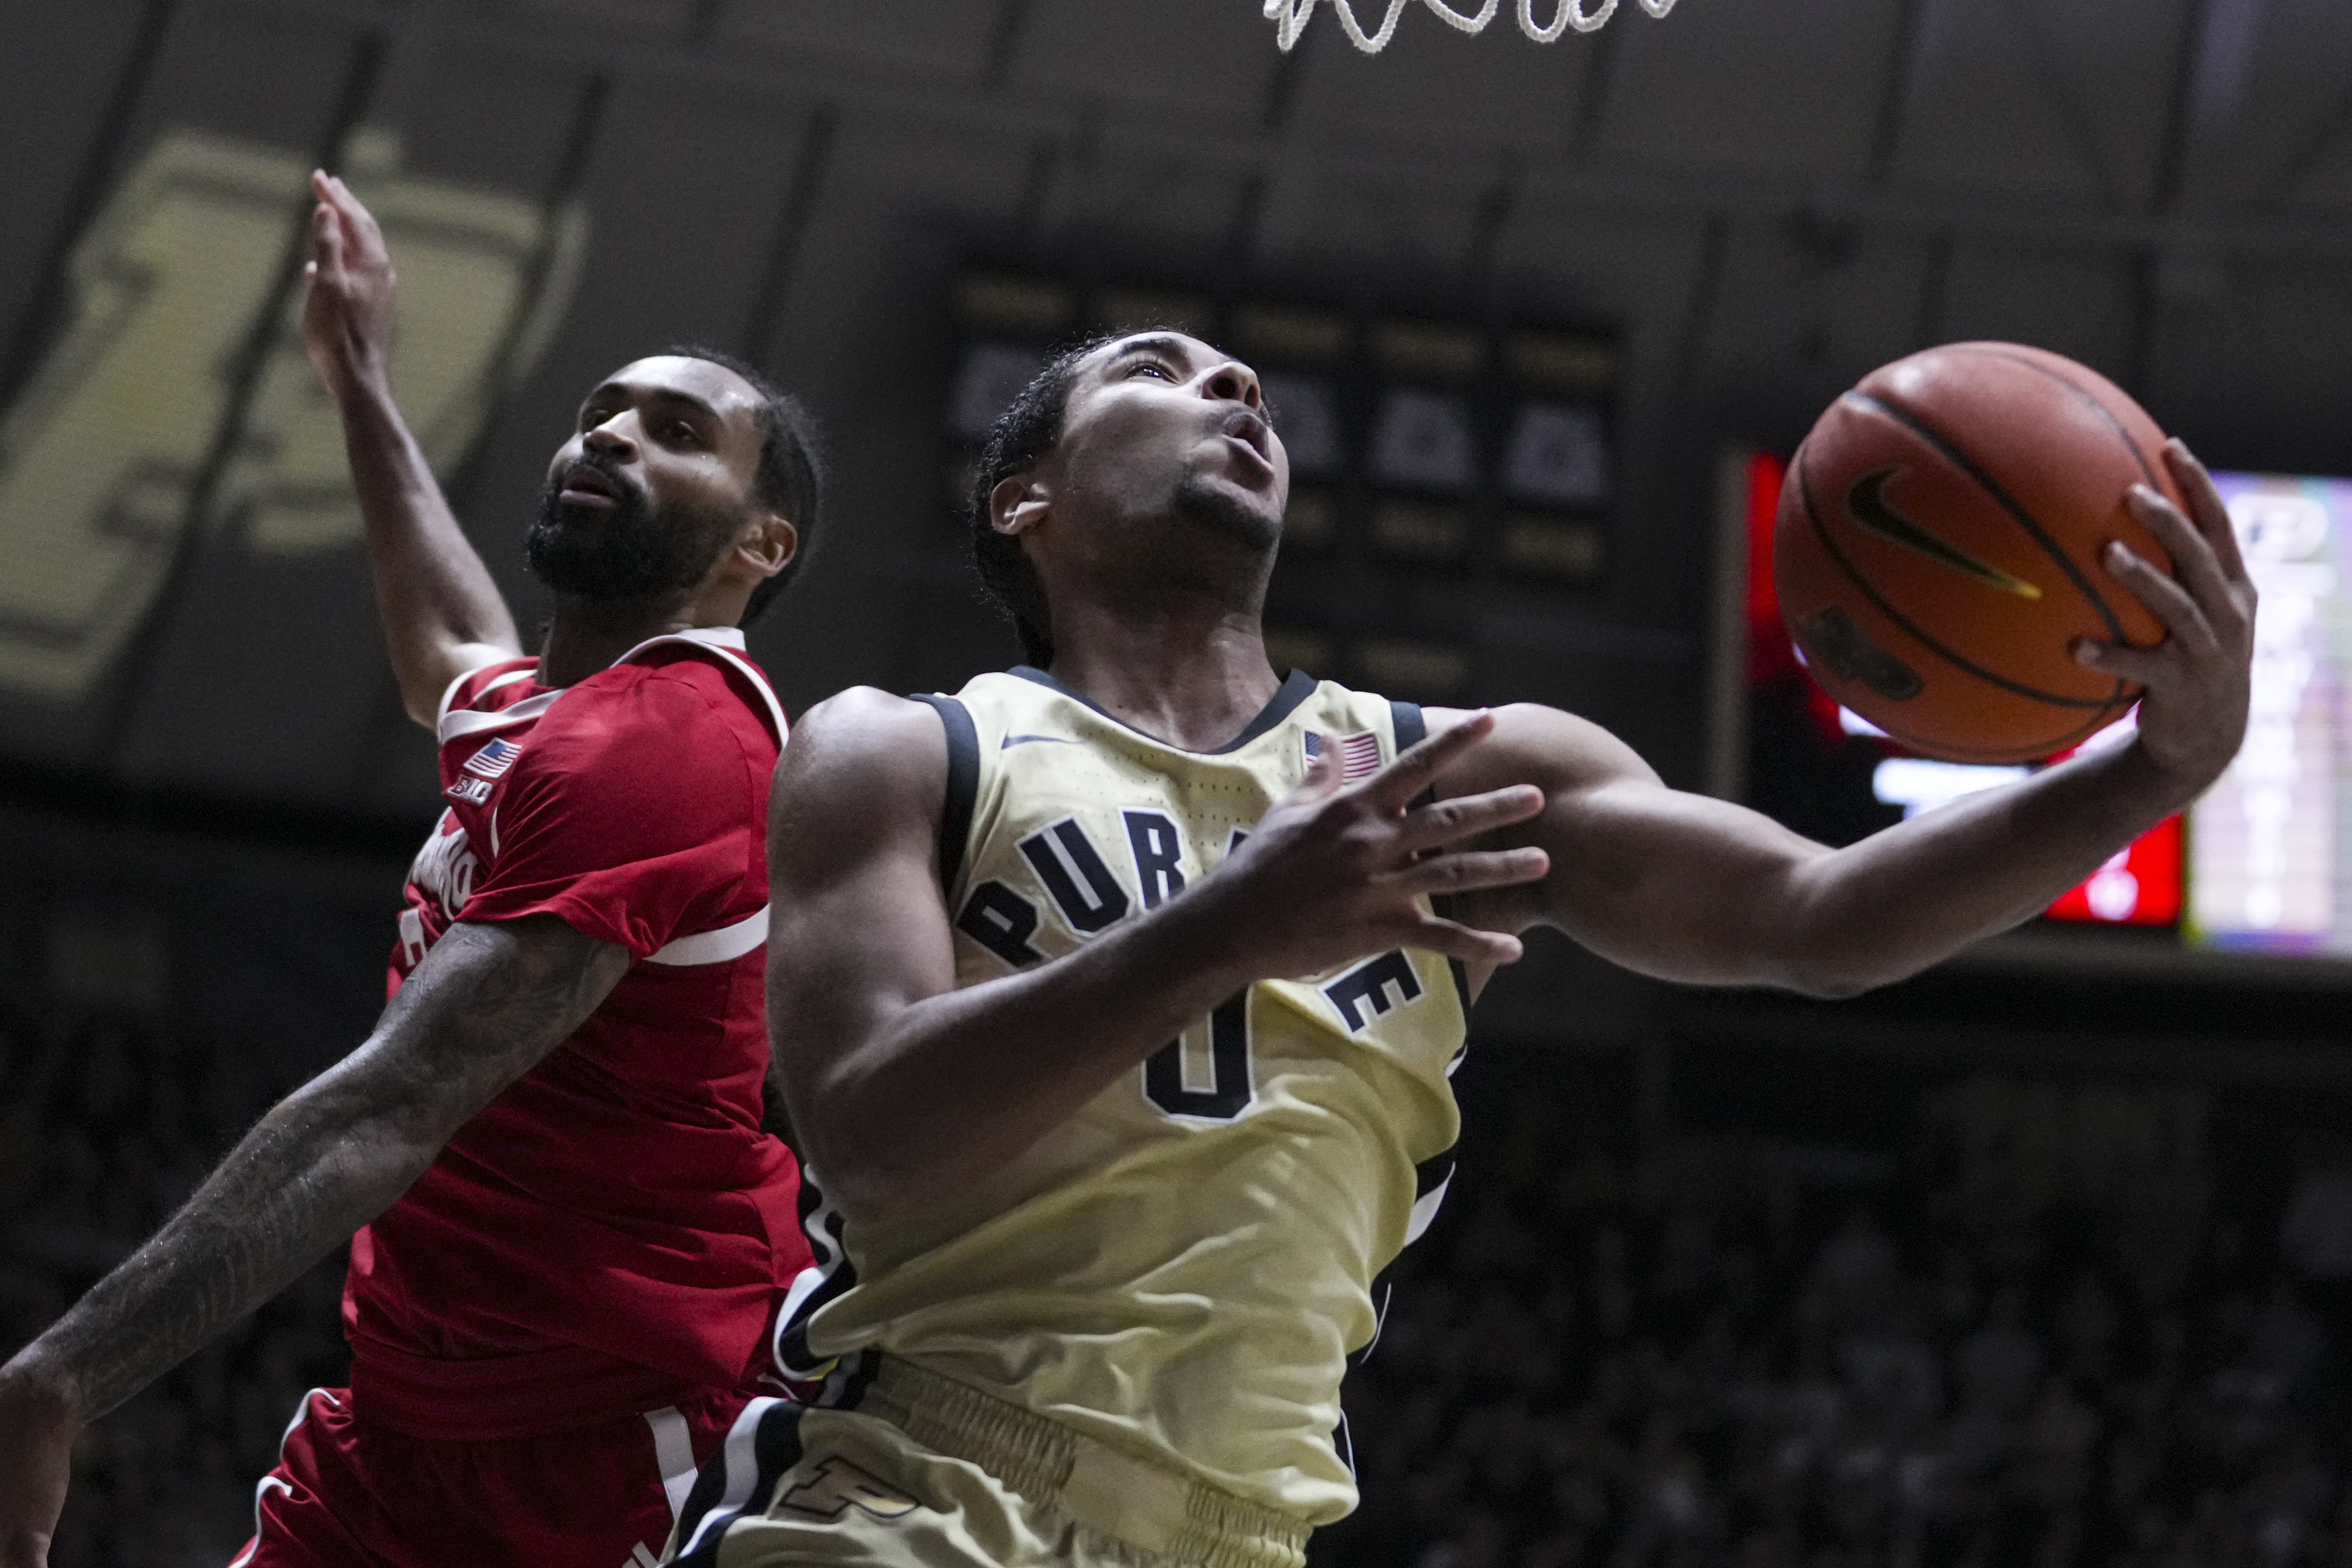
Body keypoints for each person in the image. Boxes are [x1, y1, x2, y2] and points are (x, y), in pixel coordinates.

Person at [666, 330, 2253, 1568]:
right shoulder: (907, 749)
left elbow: (1821, 923)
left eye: (1248, 385)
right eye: (1156, 371)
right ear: (1027, 502)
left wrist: (2149, 771)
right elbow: (872, 1135)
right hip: (920, 1490)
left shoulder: (1469, 763)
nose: (1231, 387)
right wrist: (1238, 920)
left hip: (1247, 1528)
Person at [0, 173, 823, 1568]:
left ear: (760, 546)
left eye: (673, 433)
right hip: (408, 1419)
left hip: (624, 1436)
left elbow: (392, 1107)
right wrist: (360, 374)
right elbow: (450, 646)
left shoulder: (681, 738)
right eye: (600, 414)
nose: (614, 434)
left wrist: (62, 1379)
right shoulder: (548, 719)